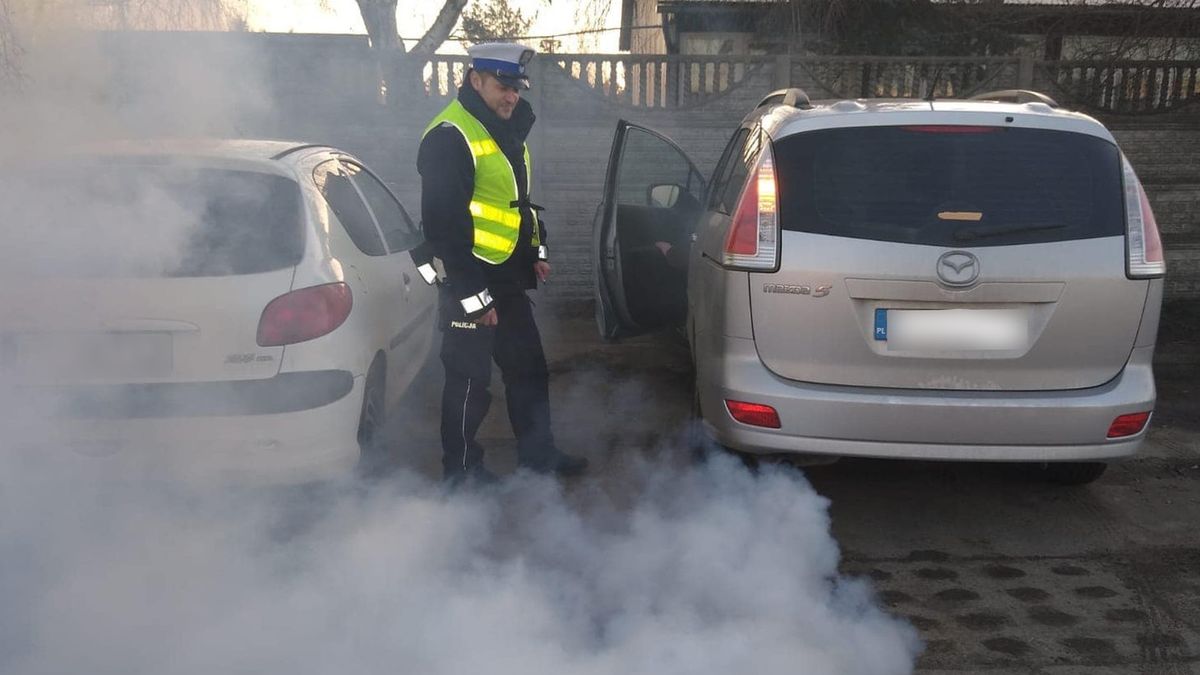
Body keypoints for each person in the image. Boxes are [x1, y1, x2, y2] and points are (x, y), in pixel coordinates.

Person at [417, 42, 588, 485]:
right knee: (469, 381)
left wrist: (536, 253)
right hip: (468, 280)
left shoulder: (505, 129)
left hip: (506, 276)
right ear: (475, 80)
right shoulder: (450, 136)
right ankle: (461, 474)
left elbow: (516, 204)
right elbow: (443, 227)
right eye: (502, 86)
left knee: (528, 370)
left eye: (516, 88)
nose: (512, 96)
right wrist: (474, 299)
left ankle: (538, 456)